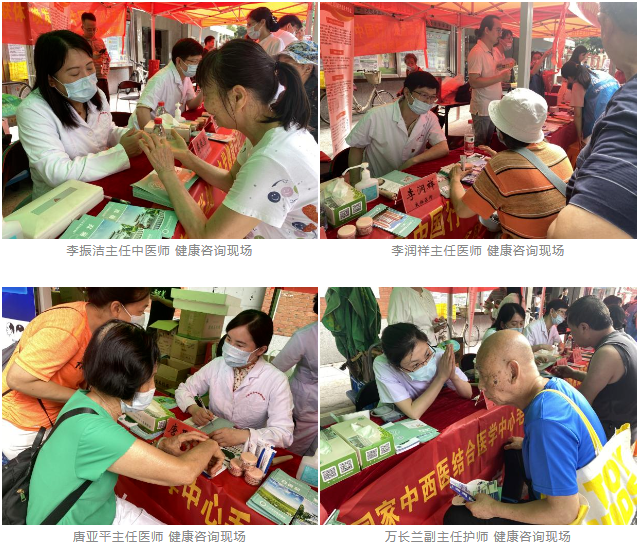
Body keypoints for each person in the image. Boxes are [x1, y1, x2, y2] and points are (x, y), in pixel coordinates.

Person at [26, 320, 225, 525]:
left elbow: (106, 451)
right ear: (129, 381)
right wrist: (211, 444)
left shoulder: (83, 400)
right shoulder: (96, 431)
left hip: (97, 507)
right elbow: (184, 472)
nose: (153, 387)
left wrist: (160, 445)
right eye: (151, 377)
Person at [138, 39, 318, 239]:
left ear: (237, 97)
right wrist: (186, 156)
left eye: (208, 94)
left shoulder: (272, 160)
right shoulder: (267, 129)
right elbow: (232, 180)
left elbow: (209, 240)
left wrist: (167, 172)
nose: (206, 106)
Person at [444, 330, 606, 525]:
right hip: (590, 489)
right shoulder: (555, 387)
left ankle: (506, 508)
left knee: (457, 516)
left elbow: (564, 514)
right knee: (513, 450)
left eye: (486, 376)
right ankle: (512, 501)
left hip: (575, 518)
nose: (481, 386)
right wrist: (530, 444)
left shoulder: (546, 422)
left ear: (513, 372)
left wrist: (494, 508)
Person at [2, 288, 150, 460]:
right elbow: (17, 379)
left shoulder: (100, 329)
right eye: (141, 311)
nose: (142, 317)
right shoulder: (66, 328)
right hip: (26, 426)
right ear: (116, 308)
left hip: (57, 416)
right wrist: (86, 398)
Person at [15, 31, 143, 200]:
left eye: (89, 68)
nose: (86, 78)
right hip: (61, 200)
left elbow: (107, 130)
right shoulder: (33, 110)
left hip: (99, 184)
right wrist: (120, 153)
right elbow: (57, 173)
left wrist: (133, 136)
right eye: (75, 73)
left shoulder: (96, 95)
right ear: (51, 79)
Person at [548, 2, 636, 239]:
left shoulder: (627, 109)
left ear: (605, 23)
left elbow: (569, 235)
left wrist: (579, 137)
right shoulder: (602, 75)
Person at [449, 88, 571, 238]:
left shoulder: (502, 165)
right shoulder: (559, 152)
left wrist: (455, 178)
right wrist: (502, 159)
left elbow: (463, 211)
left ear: (501, 130)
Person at [175, 310, 294, 449]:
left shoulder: (276, 380)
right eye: (228, 339)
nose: (230, 348)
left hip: (246, 447)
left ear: (260, 350)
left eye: (239, 345)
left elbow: (284, 434)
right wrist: (194, 408)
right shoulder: (217, 364)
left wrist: (244, 435)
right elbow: (184, 389)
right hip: (210, 436)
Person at [553, 296, 637, 443]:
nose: (572, 335)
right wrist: (573, 373)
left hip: (609, 438)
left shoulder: (608, 352)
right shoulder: (625, 339)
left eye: (572, 330)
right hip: (626, 430)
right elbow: (608, 383)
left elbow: (581, 404)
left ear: (584, 327)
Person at [346, 71, 449, 183]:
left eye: (432, 97)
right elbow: (356, 148)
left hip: (409, 178)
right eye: (424, 95)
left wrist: (413, 161)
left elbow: (443, 147)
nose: (428, 102)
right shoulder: (376, 115)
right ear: (407, 92)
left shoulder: (430, 117)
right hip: (377, 181)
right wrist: (355, 181)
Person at [374, 324, 472, 420]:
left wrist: (453, 376)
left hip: (430, 410)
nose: (425, 364)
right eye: (415, 364)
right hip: (398, 415)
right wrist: (441, 378)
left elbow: (468, 393)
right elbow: (413, 413)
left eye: (427, 354)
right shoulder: (384, 366)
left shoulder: (438, 355)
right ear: (396, 366)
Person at [272, 295, 318, 456]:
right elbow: (276, 369)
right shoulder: (305, 336)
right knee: (291, 450)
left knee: (314, 452)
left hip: (317, 407)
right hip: (302, 406)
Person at [128, 38, 204, 130]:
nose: (197, 65)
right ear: (179, 61)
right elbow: (142, 109)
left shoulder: (185, 77)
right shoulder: (161, 78)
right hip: (144, 130)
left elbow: (191, 103)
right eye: (194, 61)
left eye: (199, 61)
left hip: (169, 126)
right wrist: (151, 135)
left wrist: (204, 89)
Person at [467, 15, 511, 146]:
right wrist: (500, 77)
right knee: (480, 145)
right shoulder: (477, 52)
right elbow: (474, 82)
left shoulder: (493, 51)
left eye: (501, 31)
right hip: (482, 108)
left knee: (488, 143)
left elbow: (491, 72)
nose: (500, 34)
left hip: (493, 105)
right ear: (487, 30)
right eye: (498, 30)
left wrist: (503, 68)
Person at [560, 61, 619, 145]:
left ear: (569, 77)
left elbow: (578, 115)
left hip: (597, 122)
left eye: (567, 80)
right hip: (616, 117)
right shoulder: (599, 73)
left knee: (591, 147)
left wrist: (579, 137)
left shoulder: (578, 83)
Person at [277, 40, 319, 142]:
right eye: (280, 65)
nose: (281, 70)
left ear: (308, 68)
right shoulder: (285, 95)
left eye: (287, 65)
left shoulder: (314, 98)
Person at [79, 12, 110, 100]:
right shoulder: (79, 42)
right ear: (82, 28)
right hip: (87, 79)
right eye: (89, 29)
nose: (92, 32)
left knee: (105, 102)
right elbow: (77, 60)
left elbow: (107, 57)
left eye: (94, 29)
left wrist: (106, 60)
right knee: (91, 103)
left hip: (101, 78)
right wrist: (91, 57)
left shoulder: (100, 41)